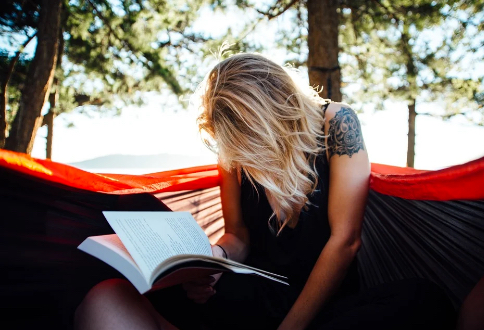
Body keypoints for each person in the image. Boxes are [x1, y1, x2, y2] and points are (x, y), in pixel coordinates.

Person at [74, 53, 456, 330]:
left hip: (320, 300)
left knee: (425, 300)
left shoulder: (337, 123)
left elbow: (345, 242)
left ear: (276, 114)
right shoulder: (233, 147)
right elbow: (238, 235)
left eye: (247, 143)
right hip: (253, 291)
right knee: (106, 296)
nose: (241, 156)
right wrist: (213, 262)